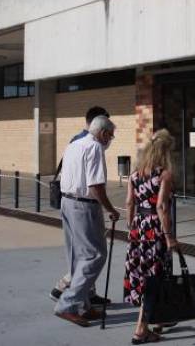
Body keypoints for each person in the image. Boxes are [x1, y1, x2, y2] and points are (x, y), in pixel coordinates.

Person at [53, 115, 121, 327]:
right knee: (95, 256)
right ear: (103, 133)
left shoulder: (74, 144)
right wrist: (110, 209)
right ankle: (68, 303)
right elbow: (95, 185)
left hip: (67, 201)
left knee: (77, 257)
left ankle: (82, 304)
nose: (110, 140)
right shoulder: (94, 147)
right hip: (84, 205)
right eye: (110, 135)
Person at [124, 129, 178, 344]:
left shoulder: (135, 174)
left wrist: (131, 226)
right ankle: (141, 329)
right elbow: (161, 206)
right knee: (153, 277)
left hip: (138, 228)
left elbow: (129, 203)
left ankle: (160, 319)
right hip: (155, 229)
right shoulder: (164, 175)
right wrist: (169, 236)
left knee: (143, 274)